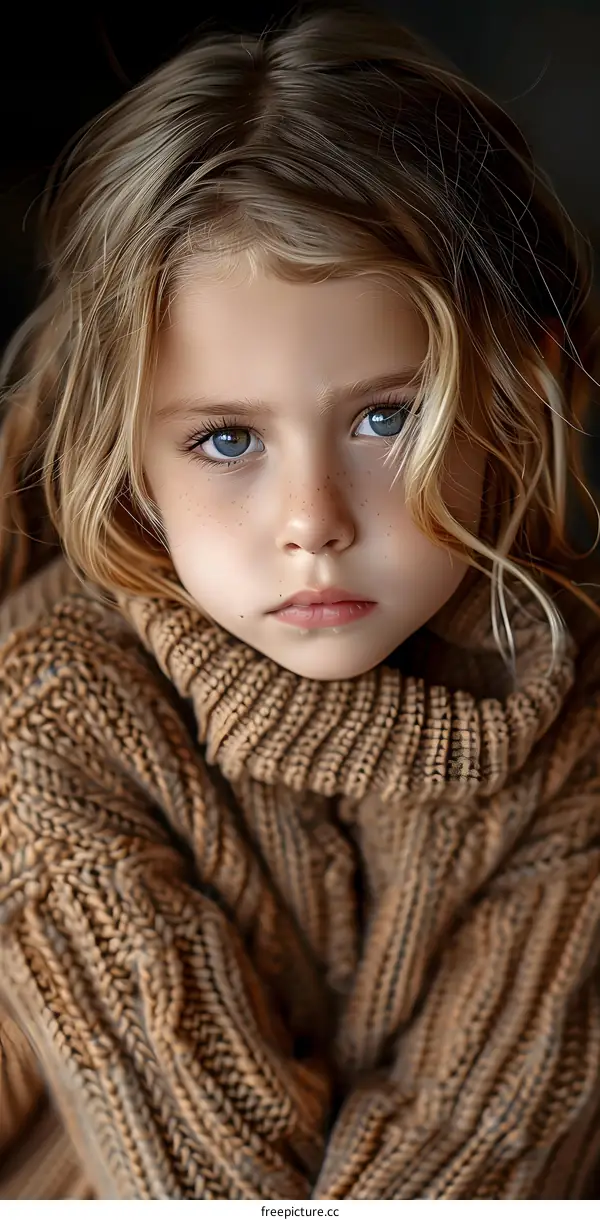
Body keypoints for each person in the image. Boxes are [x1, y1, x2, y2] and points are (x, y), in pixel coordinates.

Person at [1, 0, 600, 1200]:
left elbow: (481, 1156)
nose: (313, 518)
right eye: (227, 438)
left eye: (387, 417)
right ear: (127, 459)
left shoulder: (572, 737)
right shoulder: (48, 711)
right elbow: (196, 1186)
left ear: (515, 396)